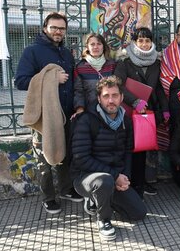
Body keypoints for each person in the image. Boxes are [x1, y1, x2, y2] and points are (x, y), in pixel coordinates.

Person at [15, 12, 82, 214]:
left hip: (66, 113)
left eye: (61, 28)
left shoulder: (67, 53)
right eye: (54, 27)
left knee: (63, 154)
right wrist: (52, 78)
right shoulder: (32, 51)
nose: (58, 32)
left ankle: (66, 189)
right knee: (44, 158)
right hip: (44, 116)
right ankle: (48, 197)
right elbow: (21, 81)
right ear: (45, 28)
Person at [71, 76, 147, 241]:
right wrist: (114, 176)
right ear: (99, 98)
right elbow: (81, 158)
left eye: (114, 95)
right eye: (106, 96)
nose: (110, 100)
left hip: (114, 176)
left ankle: (99, 199)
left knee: (139, 213)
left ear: (121, 97)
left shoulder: (125, 120)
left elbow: (127, 151)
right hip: (86, 177)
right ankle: (103, 220)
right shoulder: (87, 120)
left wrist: (124, 177)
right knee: (104, 181)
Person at [114, 27, 168, 196]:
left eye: (147, 40)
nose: (144, 44)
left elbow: (158, 88)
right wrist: (135, 101)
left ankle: (141, 183)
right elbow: (119, 84)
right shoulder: (124, 61)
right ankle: (130, 185)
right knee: (130, 149)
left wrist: (165, 109)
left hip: (146, 114)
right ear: (134, 42)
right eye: (140, 40)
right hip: (129, 113)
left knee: (142, 148)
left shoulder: (156, 62)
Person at [72, 33, 116, 118]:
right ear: (87, 47)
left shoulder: (112, 65)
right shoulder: (80, 67)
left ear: (103, 46)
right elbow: (78, 91)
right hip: (89, 113)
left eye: (99, 44)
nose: (96, 47)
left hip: (110, 111)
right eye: (92, 44)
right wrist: (80, 109)